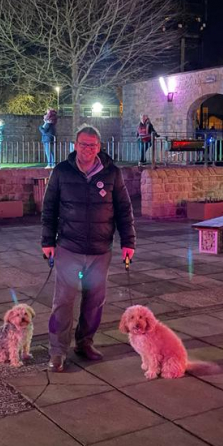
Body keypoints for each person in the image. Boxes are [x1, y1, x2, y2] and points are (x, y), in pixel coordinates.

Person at [41, 124, 136, 372]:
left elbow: (124, 209)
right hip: (69, 248)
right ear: (75, 145)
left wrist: (128, 242)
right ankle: (57, 351)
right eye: (83, 144)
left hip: (100, 248)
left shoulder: (112, 173)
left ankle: (85, 343)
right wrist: (47, 241)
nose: (88, 149)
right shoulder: (62, 172)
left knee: (94, 302)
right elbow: (49, 208)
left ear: (99, 147)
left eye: (93, 145)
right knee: (63, 302)